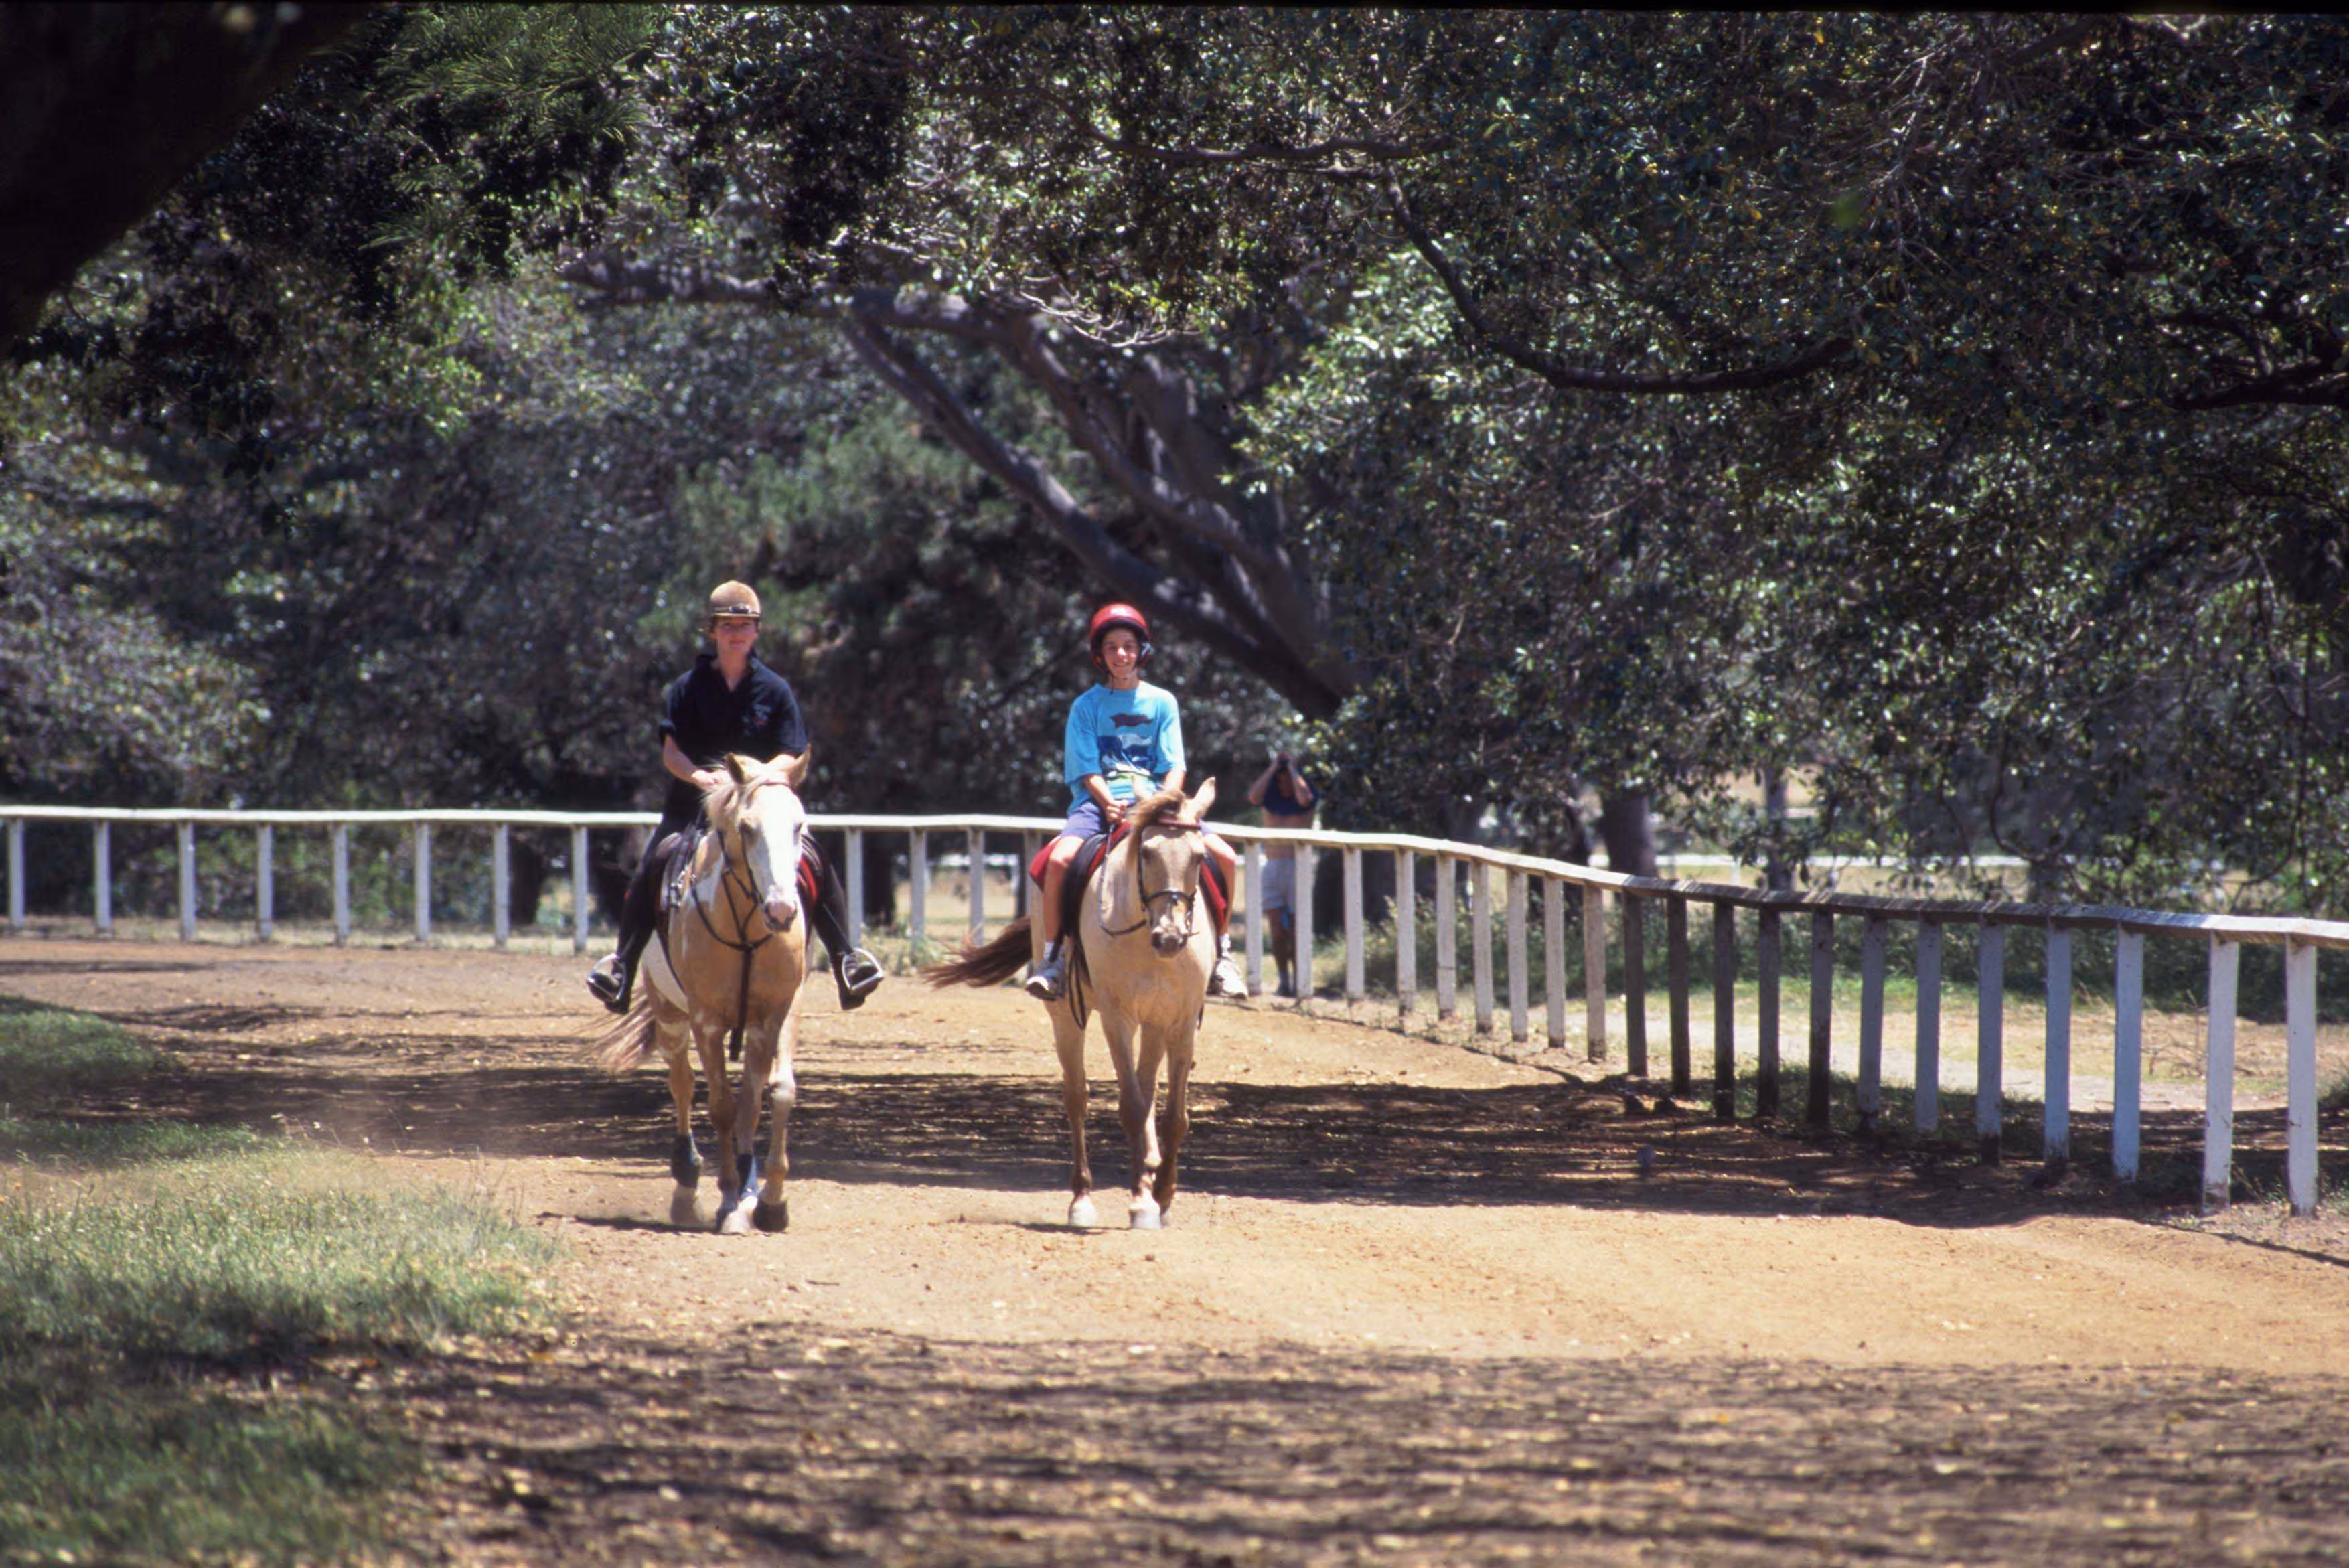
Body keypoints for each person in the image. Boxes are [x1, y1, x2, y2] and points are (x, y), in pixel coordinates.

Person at [586, 581, 884, 1014]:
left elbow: (793, 751)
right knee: (653, 864)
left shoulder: (776, 691)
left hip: (760, 807)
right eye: (728, 626)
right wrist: (700, 777)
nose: (737, 633)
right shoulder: (687, 689)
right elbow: (671, 751)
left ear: (757, 631)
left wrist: (757, 779)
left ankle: (846, 960)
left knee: (815, 860)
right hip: (694, 806)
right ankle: (622, 968)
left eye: (745, 625)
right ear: (712, 631)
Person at [1024, 602, 1247, 1003]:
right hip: (1098, 803)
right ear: (1100, 654)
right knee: (1058, 861)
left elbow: (1174, 766)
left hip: (1158, 804)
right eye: (1112, 647)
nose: (1121, 654)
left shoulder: (1162, 702)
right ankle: (1053, 958)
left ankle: (1223, 955)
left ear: (1142, 650)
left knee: (1226, 857)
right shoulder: (1086, 707)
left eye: (1128, 645)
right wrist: (1108, 802)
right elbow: (1087, 767)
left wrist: (1166, 800)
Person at [1246, 749, 1318, 999]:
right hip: (1273, 866)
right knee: (1277, 929)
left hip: (1298, 867)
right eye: (1281, 779)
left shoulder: (1305, 790)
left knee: (1297, 929)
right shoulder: (1270, 796)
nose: (1284, 783)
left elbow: (1304, 800)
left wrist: (1292, 769)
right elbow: (1253, 797)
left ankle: (1301, 980)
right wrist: (1273, 766)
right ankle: (1283, 980)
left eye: (1286, 777)